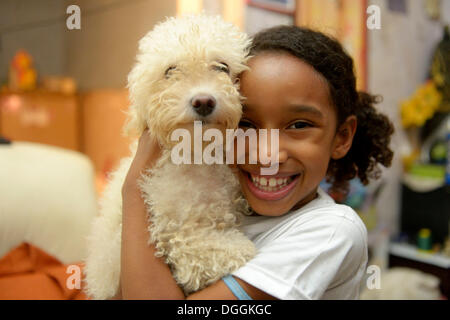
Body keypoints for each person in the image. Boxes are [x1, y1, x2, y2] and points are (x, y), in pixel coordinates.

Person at [117, 25, 394, 300]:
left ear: (341, 137)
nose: (267, 155)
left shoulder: (332, 232)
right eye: (245, 124)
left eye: (298, 125)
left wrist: (133, 189)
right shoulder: (217, 203)